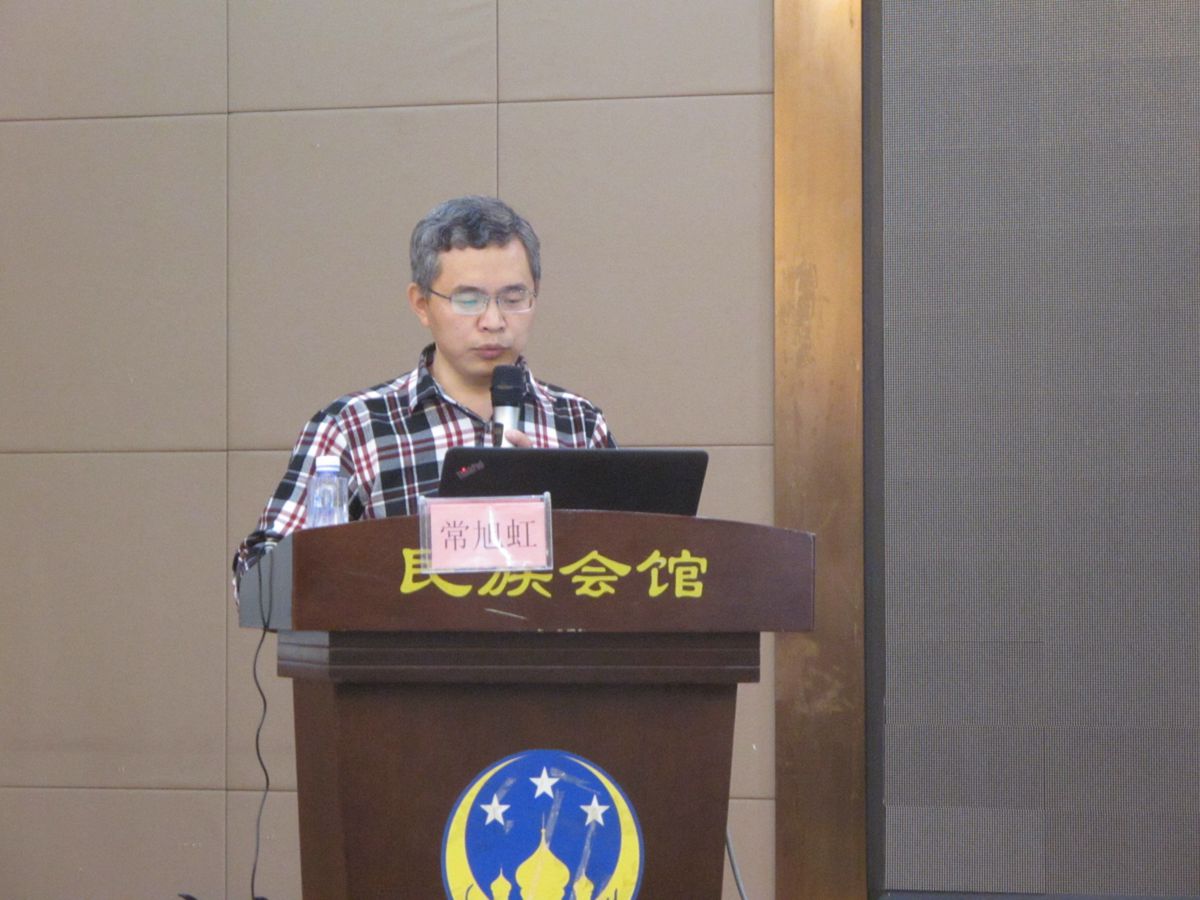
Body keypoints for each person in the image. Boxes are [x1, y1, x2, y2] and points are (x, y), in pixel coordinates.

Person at [232, 195, 615, 584]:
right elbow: (256, 575)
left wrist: (552, 513)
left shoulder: (578, 425)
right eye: (469, 300)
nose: (494, 321)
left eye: (513, 299)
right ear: (421, 304)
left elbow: (631, 563)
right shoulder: (354, 429)